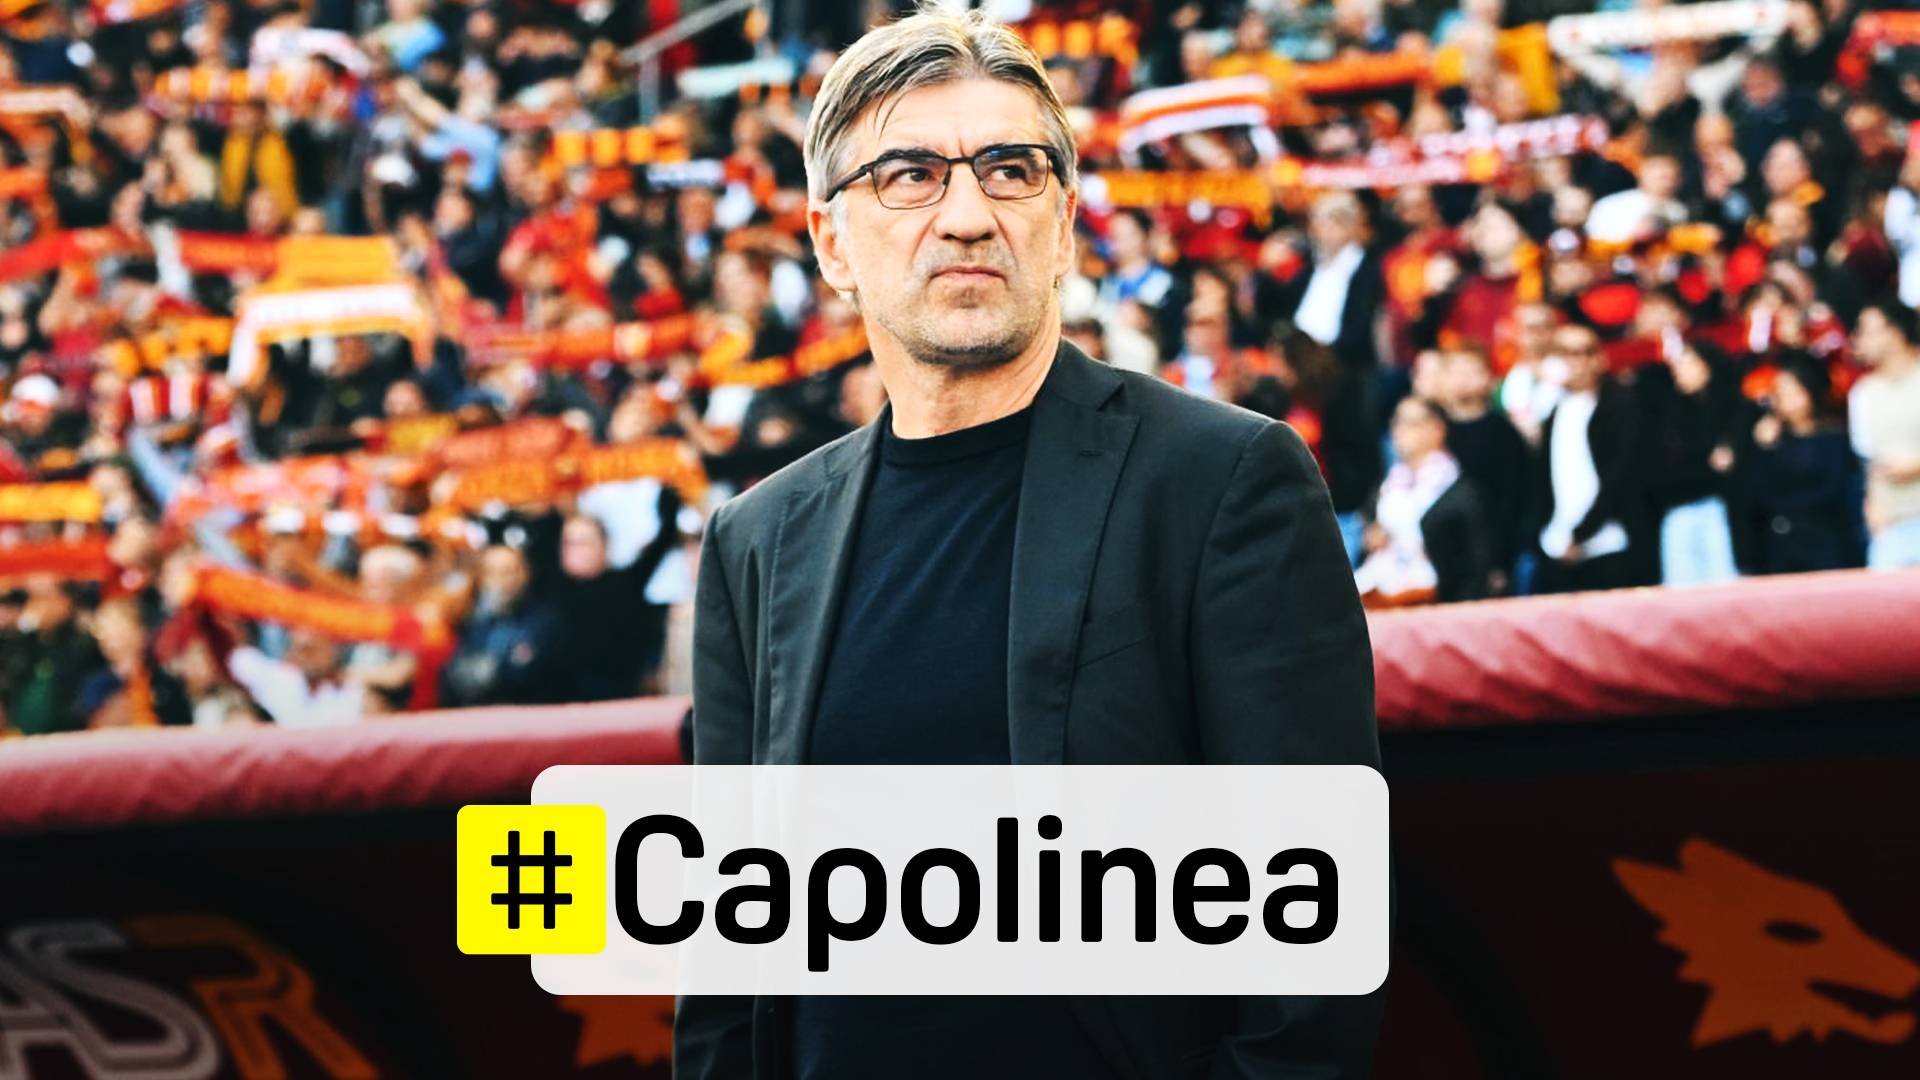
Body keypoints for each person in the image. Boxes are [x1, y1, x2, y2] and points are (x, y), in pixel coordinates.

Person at [679, 9, 1381, 1079]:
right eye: (910, 175)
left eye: (1011, 170)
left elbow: (1314, 946)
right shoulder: (756, 542)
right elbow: (730, 962)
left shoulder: (1223, 480)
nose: (968, 215)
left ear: (1064, 220)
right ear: (831, 244)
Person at [1533, 325, 1641, 594]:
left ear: (1597, 359)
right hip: (1559, 546)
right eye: (1560, 353)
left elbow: (1619, 476)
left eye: (1577, 353)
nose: (1569, 362)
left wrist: (1581, 533)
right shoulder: (1553, 412)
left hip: (1609, 543)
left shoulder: (1618, 406)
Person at [1355, 396, 1492, 605]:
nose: (1399, 431)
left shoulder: (1459, 491)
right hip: (1381, 592)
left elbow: (1474, 563)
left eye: (1411, 423)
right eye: (1396, 422)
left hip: (1436, 600)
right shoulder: (1388, 485)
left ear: (1437, 429)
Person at [1742, 360, 1861, 573]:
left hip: (1826, 541)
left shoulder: (1833, 438)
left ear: (1810, 392)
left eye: (1794, 393)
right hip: (1782, 543)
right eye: (1780, 394)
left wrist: (1790, 507)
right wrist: (1763, 447)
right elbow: (1756, 493)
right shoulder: (1772, 442)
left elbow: (1835, 489)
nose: (1787, 402)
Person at [1849, 300, 1920, 569]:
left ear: (1895, 333)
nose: (1859, 340)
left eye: (1867, 331)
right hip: (1891, 526)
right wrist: (1872, 504)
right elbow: (1868, 459)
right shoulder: (1862, 394)